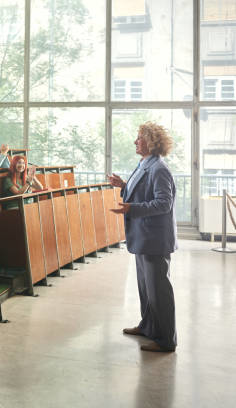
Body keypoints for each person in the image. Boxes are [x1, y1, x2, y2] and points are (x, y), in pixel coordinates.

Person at [108, 121, 177, 353]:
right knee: (146, 289)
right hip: (143, 237)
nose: (135, 141)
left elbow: (163, 203)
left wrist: (132, 209)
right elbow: (141, 192)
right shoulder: (144, 164)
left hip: (154, 239)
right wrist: (123, 185)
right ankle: (148, 327)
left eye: (139, 137)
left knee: (159, 292)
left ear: (151, 142)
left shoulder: (159, 168)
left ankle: (166, 340)